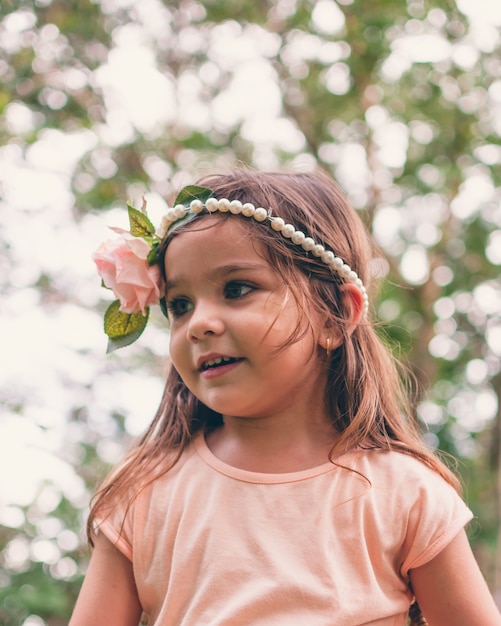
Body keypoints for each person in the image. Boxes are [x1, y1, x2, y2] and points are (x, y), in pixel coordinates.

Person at [70, 169, 501, 626]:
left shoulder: (405, 492)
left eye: (236, 289)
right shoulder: (144, 492)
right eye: (180, 304)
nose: (199, 323)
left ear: (335, 316)